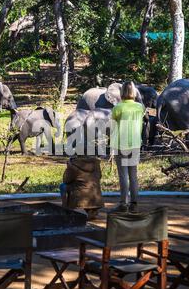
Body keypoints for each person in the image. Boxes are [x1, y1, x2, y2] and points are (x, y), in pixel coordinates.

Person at [110, 81, 145, 212]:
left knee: (123, 174)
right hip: (135, 144)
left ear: (122, 92)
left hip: (121, 144)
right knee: (133, 174)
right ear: (134, 92)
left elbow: (112, 127)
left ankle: (123, 203)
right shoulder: (140, 107)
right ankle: (134, 203)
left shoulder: (117, 108)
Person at [60, 155, 104, 220]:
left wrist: (68, 167)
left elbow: (66, 180)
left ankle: (66, 209)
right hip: (96, 197)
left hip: (80, 198)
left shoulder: (73, 164)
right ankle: (92, 210)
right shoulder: (95, 162)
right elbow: (99, 176)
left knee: (62, 186)